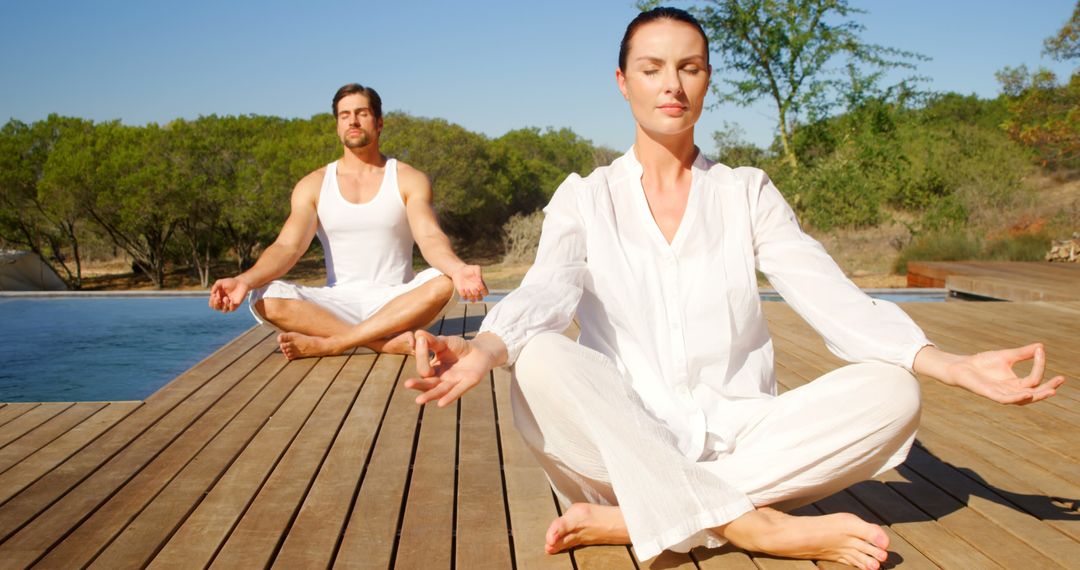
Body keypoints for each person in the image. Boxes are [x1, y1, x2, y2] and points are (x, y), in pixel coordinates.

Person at [404, 7, 1065, 570]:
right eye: (652, 68)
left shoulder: (747, 193)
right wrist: (489, 347)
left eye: (689, 67)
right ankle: (754, 526)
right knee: (542, 357)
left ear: (708, 80)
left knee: (895, 392)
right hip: (626, 444)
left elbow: (827, 293)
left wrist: (948, 363)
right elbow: (547, 290)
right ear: (622, 82)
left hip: (749, 440)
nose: (672, 84)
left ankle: (646, 517)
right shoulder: (585, 198)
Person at [209, 83, 487, 359]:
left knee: (444, 282)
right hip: (336, 303)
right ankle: (382, 343)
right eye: (344, 115)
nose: (352, 120)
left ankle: (332, 343)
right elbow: (287, 248)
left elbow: (429, 237)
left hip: (396, 303)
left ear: (379, 123)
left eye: (362, 113)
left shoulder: (407, 178)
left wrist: (459, 268)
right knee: (263, 297)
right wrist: (243, 280)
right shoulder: (313, 184)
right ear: (337, 125)